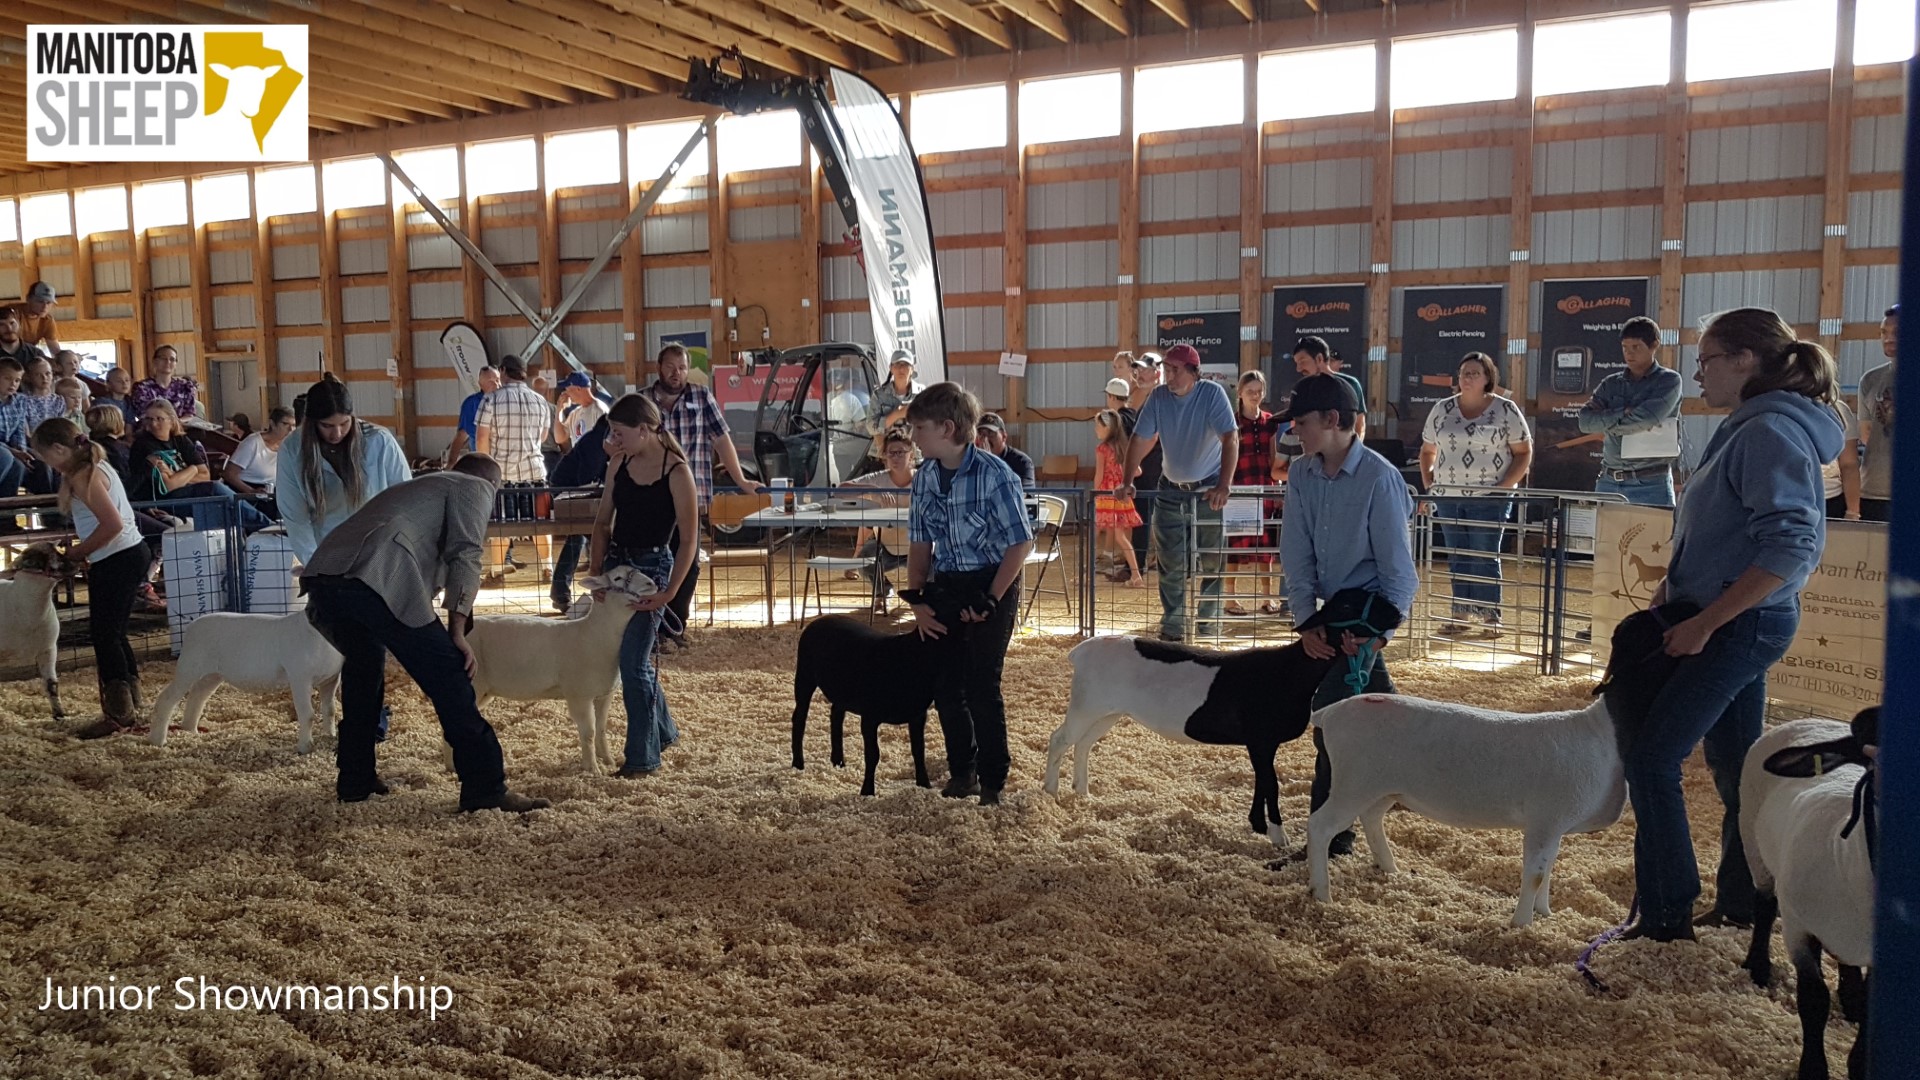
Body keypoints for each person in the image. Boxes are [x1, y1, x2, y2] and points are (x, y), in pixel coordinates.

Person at [1620, 307, 1840, 943]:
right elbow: (1738, 531)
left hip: (1739, 624)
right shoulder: (1754, 426)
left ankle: (1667, 912)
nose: (1697, 372)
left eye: (1708, 358)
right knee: (1737, 767)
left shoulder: (1768, 431)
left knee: (1652, 758)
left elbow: (1792, 545)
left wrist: (1707, 621)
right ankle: (1746, 904)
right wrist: (1677, 585)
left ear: (1745, 360)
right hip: (1733, 618)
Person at [301, 454, 548, 813]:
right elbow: (466, 554)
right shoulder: (474, 486)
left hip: (324, 579)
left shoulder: (419, 485)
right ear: (493, 486)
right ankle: (485, 786)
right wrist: (458, 632)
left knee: (364, 669)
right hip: (376, 576)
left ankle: (355, 780)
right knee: (449, 674)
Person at [1277, 374, 1419, 857]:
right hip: (1330, 618)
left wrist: (1377, 633)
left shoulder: (1381, 479)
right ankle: (1409, 781)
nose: (1295, 431)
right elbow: (1294, 552)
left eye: (1301, 422)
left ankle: (1332, 837)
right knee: (1384, 719)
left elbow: (1400, 573)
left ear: (1333, 420)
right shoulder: (1300, 474)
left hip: (1366, 614)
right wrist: (1306, 622)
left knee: (1333, 723)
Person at [900, 382, 1034, 806]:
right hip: (949, 584)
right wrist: (917, 599)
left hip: (993, 581)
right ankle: (964, 772)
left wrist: (992, 599)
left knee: (981, 685)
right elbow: (920, 543)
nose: (913, 437)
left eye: (919, 428)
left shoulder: (997, 475)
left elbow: (1021, 542)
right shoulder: (924, 479)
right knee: (945, 686)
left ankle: (994, 780)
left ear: (947, 427)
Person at [586, 393, 697, 778]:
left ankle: (642, 759)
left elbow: (688, 541)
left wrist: (668, 594)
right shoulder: (619, 464)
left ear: (645, 429)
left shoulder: (677, 472)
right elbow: (602, 522)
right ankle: (663, 731)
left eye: (619, 433)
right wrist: (597, 571)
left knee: (632, 662)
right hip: (618, 566)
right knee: (632, 659)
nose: (614, 440)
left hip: (654, 569)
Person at [32, 418, 149, 737]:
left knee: (105, 636)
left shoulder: (84, 474)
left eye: (47, 457)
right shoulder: (96, 465)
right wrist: (85, 549)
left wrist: (76, 553)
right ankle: (133, 707)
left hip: (117, 557)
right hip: (127, 554)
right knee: (115, 633)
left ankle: (119, 715)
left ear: (59, 449)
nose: (48, 465)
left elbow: (111, 525)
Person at [1117, 343, 1237, 643]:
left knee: (1212, 560)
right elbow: (1141, 439)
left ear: (1193, 372)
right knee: (1171, 562)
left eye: (1174, 370)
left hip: (1208, 489)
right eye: (1165, 369)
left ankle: (1208, 623)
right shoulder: (1158, 398)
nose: (1167, 375)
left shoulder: (1212, 394)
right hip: (1170, 489)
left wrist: (1224, 485)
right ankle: (1173, 624)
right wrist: (1127, 479)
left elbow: (1230, 437)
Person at [646, 342, 761, 643]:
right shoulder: (643, 401)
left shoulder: (701, 396)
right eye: (671, 367)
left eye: (682, 368)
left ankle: (675, 625)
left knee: (690, 563)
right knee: (655, 562)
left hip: (692, 496)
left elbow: (722, 441)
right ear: (659, 368)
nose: (677, 373)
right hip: (652, 498)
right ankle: (653, 629)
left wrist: (741, 481)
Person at [1418, 352, 1534, 638]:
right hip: (1448, 494)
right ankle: (1461, 613)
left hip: (1489, 496)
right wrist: (1429, 485)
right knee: (1457, 553)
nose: (1467, 378)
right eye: (1463, 372)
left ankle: (1490, 615)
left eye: (1474, 373)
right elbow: (1427, 450)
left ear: (1487, 379)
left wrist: (1504, 487)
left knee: (1483, 553)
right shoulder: (1442, 409)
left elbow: (1523, 452)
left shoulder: (1506, 410)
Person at [276, 375, 413, 563]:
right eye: (327, 426)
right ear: (311, 422)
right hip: (327, 550)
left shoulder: (379, 441)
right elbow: (295, 516)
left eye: (344, 423)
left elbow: (405, 498)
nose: (337, 433)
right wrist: (314, 565)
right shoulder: (292, 450)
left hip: (379, 550)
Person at [1577, 316, 1683, 507]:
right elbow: (1584, 422)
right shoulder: (1611, 384)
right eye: (1625, 347)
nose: (1629, 353)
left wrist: (1607, 423)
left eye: (1636, 347)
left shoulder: (1669, 381)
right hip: (1609, 480)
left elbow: (1646, 419)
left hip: (1651, 482)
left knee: (1654, 537)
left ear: (1654, 345)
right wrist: (1621, 413)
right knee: (1604, 537)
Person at [128, 399, 272, 531]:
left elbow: (205, 474)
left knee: (218, 501)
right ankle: (265, 526)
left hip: (188, 493)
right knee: (214, 489)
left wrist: (184, 473)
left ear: (171, 421)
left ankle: (255, 534)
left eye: (159, 419)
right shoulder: (144, 445)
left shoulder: (181, 440)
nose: (153, 424)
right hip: (162, 500)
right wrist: (192, 469)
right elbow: (168, 486)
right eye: (149, 419)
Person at [476, 355, 554, 575]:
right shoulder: (540, 401)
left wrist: (484, 468)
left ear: (502, 371)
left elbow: (482, 438)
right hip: (536, 473)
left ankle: (498, 569)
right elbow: (543, 435)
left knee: (501, 524)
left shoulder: (490, 400)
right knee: (542, 521)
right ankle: (547, 566)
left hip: (502, 474)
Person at [1224, 370, 1284, 617]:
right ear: (1240, 393)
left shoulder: (1270, 422)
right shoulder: (1231, 422)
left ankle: (1267, 597)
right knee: (1235, 545)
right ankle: (1229, 598)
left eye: (1259, 391)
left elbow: (1273, 455)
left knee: (1266, 545)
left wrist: (1277, 486)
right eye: (1250, 392)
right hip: (1239, 486)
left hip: (1264, 484)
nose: (1256, 396)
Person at [841, 427, 918, 615]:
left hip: (918, 546)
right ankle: (882, 592)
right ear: (884, 457)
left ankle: (924, 601)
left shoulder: (923, 479)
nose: (896, 458)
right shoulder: (879, 479)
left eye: (901, 452)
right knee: (865, 559)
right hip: (885, 545)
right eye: (891, 453)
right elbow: (840, 490)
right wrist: (871, 489)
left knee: (938, 568)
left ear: (911, 455)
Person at [547, 410, 611, 613]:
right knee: (589, 536)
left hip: (568, 486)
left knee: (580, 537)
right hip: (569, 490)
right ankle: (567, 590)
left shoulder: (596, 438)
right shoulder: (597, 442)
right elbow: (588, 474)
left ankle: (561, 591)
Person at [1091, 408, 1145, 589]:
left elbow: (1099, 475)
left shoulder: (1102, 449)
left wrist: (1095, 491)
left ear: (1107, 428)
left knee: (1094, 533)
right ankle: (1136, 574)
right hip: (1121, 495)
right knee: (1121, 537)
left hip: (1105, 495)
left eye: (1098, 426)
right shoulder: (1124, 447)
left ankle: (1087, 575)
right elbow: (1137, 471)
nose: (1096, 430)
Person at [1858, 304, 1896, 522]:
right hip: (1874, 489)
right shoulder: (1870, 380)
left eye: (1897, 333)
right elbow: (1866, 433)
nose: (1888, 338)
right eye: (1884, 332)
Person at [1290, 336, 1367, 438]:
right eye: (1296, 363)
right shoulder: (1302, 390)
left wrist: (1353, 452)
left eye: (1302, 361)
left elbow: (1359, 424)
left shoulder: (1350, 384)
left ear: (1319, 358)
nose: (1298, 369)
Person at [224, 406, 295, 497]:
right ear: (272, 424)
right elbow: (229, 474)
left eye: (293, 425)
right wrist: (251, 491)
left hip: (276, 491)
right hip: (249, 492)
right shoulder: (253, 442)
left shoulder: (289, 445)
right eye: (285, 424)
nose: (291, 430)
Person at [1, 356, 37, 530]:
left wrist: (22, 451)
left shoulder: (20, 400)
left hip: (9, 447)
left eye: (17, 380)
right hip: (3, 449)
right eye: (7, 378)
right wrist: (15, 452)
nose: (13, 384)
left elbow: (19, 431)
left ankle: (6, 518)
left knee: (21, 465)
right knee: (7, 457)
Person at [444, 364, 500, 465]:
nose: (496, 385)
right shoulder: (472, 404)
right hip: (482, 463)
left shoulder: (508, 401)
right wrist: (450, 464)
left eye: (497, 380)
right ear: (480, 384)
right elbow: (461, 435)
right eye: (490, 382)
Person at [867, 349, 924, 447]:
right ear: (891, 368)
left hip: (913, 455)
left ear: (912, 369)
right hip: (885, 455)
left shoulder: (922, 394)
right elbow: (870, 427)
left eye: (905, 365)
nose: (901, 369)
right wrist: (897, 414)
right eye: (897, 365)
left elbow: (930, 425)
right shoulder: (879, 395)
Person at [1821, 396, 1863, 520]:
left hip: (1831, 499)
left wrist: (1853, 512)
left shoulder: (1838, 409)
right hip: (1787, 500)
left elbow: (1849, 465)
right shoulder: (1779, 406)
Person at [131, 344, 200, 419]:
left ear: (176, 364)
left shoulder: (185, 386)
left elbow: (189, 414)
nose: (168, 362)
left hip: (181, 427)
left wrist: (175, 426)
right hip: (152, 428)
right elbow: (143, 414)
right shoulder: (142, 388)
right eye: (163, 358)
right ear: (154, 361)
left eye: (172, 359)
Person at [974, 413, 1035, 491]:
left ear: (1004, 437)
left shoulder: (1022, 462)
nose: (986, 439)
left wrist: (990, 461)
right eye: (981, 434)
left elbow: (1025, 493)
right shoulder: (972, 462)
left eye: (991, 433)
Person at [553, 371, 607, 451]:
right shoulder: (575, 413)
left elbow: (605, 441)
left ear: (578, 388)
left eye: (568, 389)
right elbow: (560, 438)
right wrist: (559, 410)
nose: (566, 393)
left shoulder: (599, 409)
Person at [19, 282, 60, 354]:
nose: (45, 307)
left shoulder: (47, 321)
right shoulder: (12, 314)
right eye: (40, 301)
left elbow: (55, 350)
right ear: (28, 299)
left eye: (48, 303)